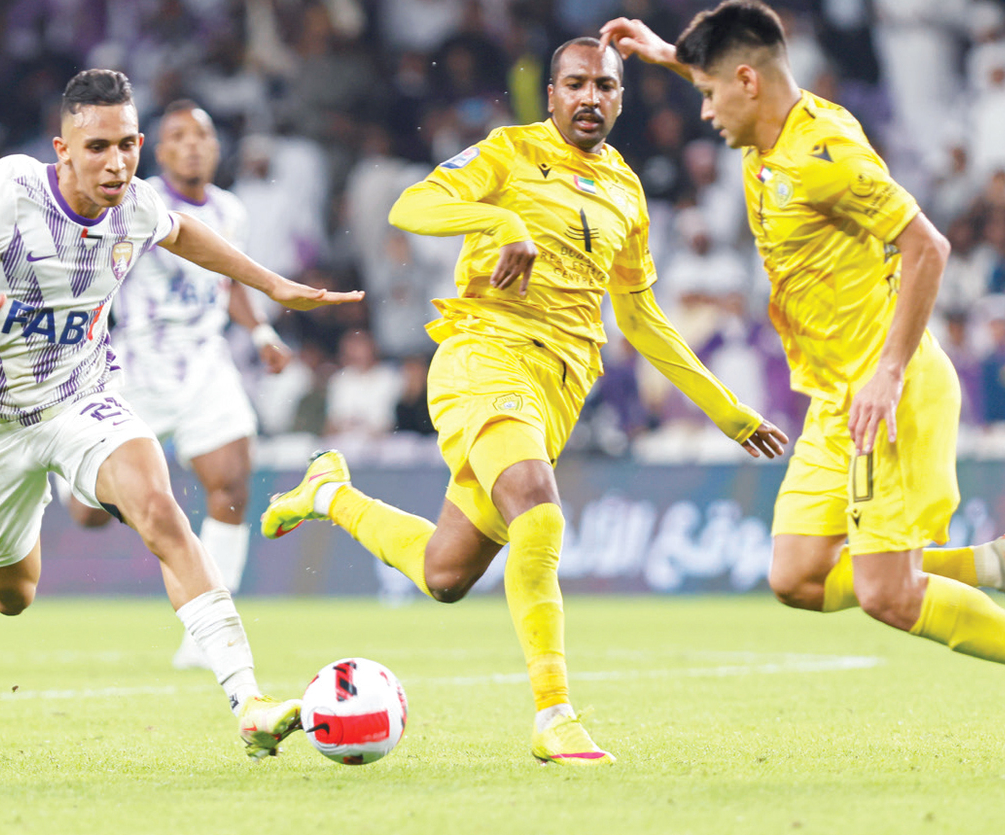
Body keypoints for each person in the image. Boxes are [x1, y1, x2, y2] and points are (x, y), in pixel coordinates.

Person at [600, 0, 1005, 774]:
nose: (703, 110)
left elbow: (928, 247)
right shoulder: (762, 130)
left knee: (887, 594)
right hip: (834, 399)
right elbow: (732, 69)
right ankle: (993, 567)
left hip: (890, 391)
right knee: (798, 577)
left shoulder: (826, 155)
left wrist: (885, 372)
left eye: (709, 93)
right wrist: (665, 52)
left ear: (747, 82)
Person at [260, 38, 789, 766]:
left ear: (620, 98)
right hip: (483, 356)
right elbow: (414, 207)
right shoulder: (507, 153)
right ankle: (554, 714)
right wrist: (499, 222)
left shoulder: (627, 193)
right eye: (575, 84)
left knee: (446, 574)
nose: (590, 98)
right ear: (551, 95)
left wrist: (726, 410)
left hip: (558, 388)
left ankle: (329, 495)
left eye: (605, 86)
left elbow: (640, 319)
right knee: (538, 511)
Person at [0, 69, 362, 758]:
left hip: (81, 398)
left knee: (161, 509)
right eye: (98, 146)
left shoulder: (134, 203)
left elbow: (186, 234)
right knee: (15, 594)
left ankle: (248, 700)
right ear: (62, 148)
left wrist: (275, 285)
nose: (117, 162)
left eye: (128, 145)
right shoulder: (9, 193)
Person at [62, 101, 292, 671]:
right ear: (157, 151)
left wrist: (261, 330)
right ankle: (64, 472)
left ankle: (208, 632)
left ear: (217, 149)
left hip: (205, 365)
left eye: (203, 135)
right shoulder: (134, 202)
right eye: (179, 137)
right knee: (88, 513)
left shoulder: (229, 211)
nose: (192, 145)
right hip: (135, 366)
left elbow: (230, 277)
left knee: (232, 485)